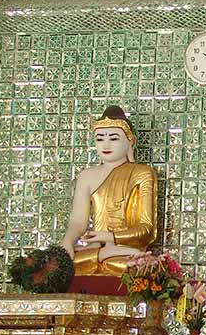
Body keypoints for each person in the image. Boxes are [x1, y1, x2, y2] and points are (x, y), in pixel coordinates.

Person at [60, 105, 157, 276]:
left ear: (130, 141)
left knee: (137, 267)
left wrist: (109, 237)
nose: (105, 144)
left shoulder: (142, 173)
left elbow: (146, 229)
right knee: (61, 266)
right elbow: (77, 223)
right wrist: (67, 242)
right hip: (95, 248)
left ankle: (108, 253)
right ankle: (104, 254)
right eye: (99, 139)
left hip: (127, 250)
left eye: (113, 138)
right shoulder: (86, 176)